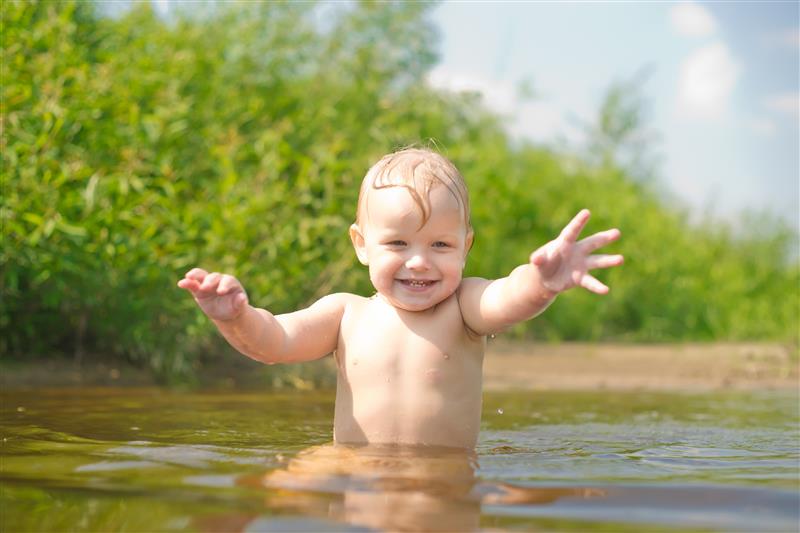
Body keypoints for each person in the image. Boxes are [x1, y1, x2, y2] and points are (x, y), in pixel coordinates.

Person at [177, 148, 623, 450]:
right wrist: (236, 317)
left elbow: (508, 297)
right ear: (361, 244)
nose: (419, 263)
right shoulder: (344, 313)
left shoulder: (464, 307)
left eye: (441, 246)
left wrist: (541, 281)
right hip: (354, 467)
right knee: (278, 487)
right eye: (397, 244)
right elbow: (273, 341)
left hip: (443, 473)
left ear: (466, 247)